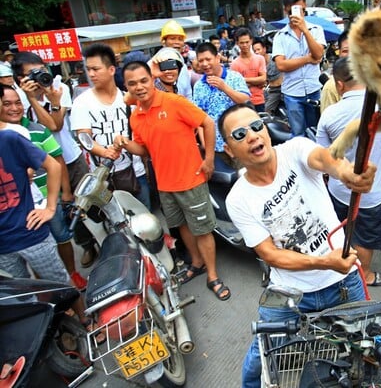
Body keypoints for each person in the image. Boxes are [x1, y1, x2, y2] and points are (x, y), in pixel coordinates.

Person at [220, 103, 375, 388]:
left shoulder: (295, 149)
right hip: (290, 292)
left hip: (343, 281)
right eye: (240, 134)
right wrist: (324, 261)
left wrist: (346, 173)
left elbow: (324, 159)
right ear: (229, 149)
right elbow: (269, 254)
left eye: (256, 127)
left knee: (362, 345)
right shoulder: (238, 199)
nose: (253, 136)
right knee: (261, 355)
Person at [114, 61, 230, 300]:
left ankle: (213, 275)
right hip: (164, 184)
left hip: (191, 179)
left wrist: (208, 160)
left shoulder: (173, 102)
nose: (139, 87)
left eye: (143, 81)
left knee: (203, 230)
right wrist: (125, 143)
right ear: (126, 87)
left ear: (151, 80)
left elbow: (207, 123)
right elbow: (144, 150)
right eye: (132, 84)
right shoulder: (135, 117)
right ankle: (196, 263)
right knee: (183, 226)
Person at [317, 57, 381, 287]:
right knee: (366, 238)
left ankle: (341, 271)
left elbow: (322, 156)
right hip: (372, 194)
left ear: (339, 84)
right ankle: (365, 276)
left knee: (342, 233)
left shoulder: (330, 115)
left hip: (338, 191)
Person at [0, 129, 99, 337]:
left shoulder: (8, 139)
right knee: (22, 297)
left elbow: (53, 165)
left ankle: (85, 319)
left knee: (59, 282)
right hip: (3, 248)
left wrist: (50, 207)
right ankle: (50, 335)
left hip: (29, 233)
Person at [10, 52, 95, 267]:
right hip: (41, 168)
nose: (40, 76)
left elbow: (55, 124)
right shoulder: (15, 100)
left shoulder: (58, 87)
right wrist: (30, 99)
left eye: (42, 70)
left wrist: (50, 100)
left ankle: (108, 237)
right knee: (64, 214)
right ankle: (87, 246)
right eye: (32, 74)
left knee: (90, 202)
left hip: (70, 158)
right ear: (20, 79)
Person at [0, 84, 87, 291]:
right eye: (7, 104)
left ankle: (74, 294)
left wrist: (54, 201)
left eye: (17, 103)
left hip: (38, 206)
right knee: (24, 291)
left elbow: (55, 162)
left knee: (61, 242)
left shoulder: (17, 134)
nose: (13, 108)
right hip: (8, 238)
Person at [70, 43, 151, 210]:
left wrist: (146, 165)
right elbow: (84, 137)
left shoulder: (129, 99)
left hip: (135, 171)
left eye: (96, 69)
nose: (91, 74)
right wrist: (105, 152)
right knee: (116, 224)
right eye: (88, 69)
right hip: (103, 177)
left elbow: (140, 135)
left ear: (112, 70)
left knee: (146, 219)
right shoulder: (81, 103)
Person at [272, 0, 326, 136]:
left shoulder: (316, 29)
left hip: (314, 89)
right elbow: (281, 65)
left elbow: (318, 54)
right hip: (292, 93)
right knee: (298, 135)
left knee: (317, 133)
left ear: (304, 8)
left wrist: (305, 31)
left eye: (301, 10)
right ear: (286, 10)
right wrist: (307, 59)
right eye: (292, 10)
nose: (297, 14)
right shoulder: (280, 36)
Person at [193, 42, 250, 162]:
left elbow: (245, 100)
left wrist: (224, 87)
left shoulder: (234, 77)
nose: (205, 64)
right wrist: (205, 145)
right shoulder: (199, 85)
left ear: (217, 58)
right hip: (215, 147)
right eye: (201, 60)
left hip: (240, 141)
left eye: (208, 59)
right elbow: (199, 117)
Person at [230, 28, 267, 112]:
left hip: (259, 101)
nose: (245, 45)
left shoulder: (260, 59)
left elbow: (263, 79)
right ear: (237, 43)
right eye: (242, 43)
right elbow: (236, 87)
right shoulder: (235, 64)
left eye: (247, 42)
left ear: (251, 41)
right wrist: (256, 81)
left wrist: (243, 79)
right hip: (243, 103)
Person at [159, 20, 193, 101]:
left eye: (180, 39)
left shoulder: (183, 67)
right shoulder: (155, 65)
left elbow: (188, 94)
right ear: (164, 42)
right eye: (172, 38)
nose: (177, 42)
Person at [320, 30, 349, 113]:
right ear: (339, 53)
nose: (350, 55)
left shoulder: (375, 83)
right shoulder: (331, 86)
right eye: (345, 51)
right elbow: (328, 123)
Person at [252, 39, 283, 115]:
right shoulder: (257, 63)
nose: (257, 52)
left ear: (264, 49)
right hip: (272, 90)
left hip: (283, 87)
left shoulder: (275, 58)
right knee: (265, 111)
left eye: (258, 49)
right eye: (254, 51)